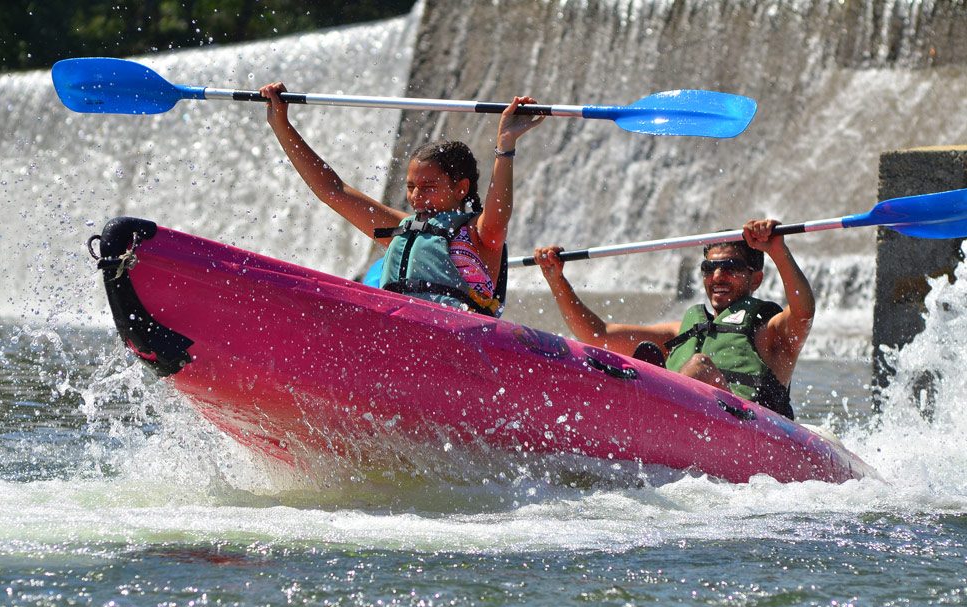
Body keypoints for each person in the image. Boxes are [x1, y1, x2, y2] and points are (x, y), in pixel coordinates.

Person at [259, 82, 544, 317]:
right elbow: (332, 190)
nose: (416, 196)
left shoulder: (481, 235)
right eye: (411, 187)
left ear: (461, 188)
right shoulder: (402, 228)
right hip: (394, 332)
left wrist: (505, 145)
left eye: (428, 186)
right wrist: (280, 124)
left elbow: (500, 208)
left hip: (453, 340)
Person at [532, 220, 815, 419]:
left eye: (730, 268)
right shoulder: (682, 331)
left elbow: (804, 312)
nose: (717, 277)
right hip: (685, 421)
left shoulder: (770, 331)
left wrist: (777, 249)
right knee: (617, 362)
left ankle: (644, 403)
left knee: (700, 366)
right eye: (709, 268)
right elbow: (598, 335)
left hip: (756, 433)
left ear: (756, 279)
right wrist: (556, 280)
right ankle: (642, 394)